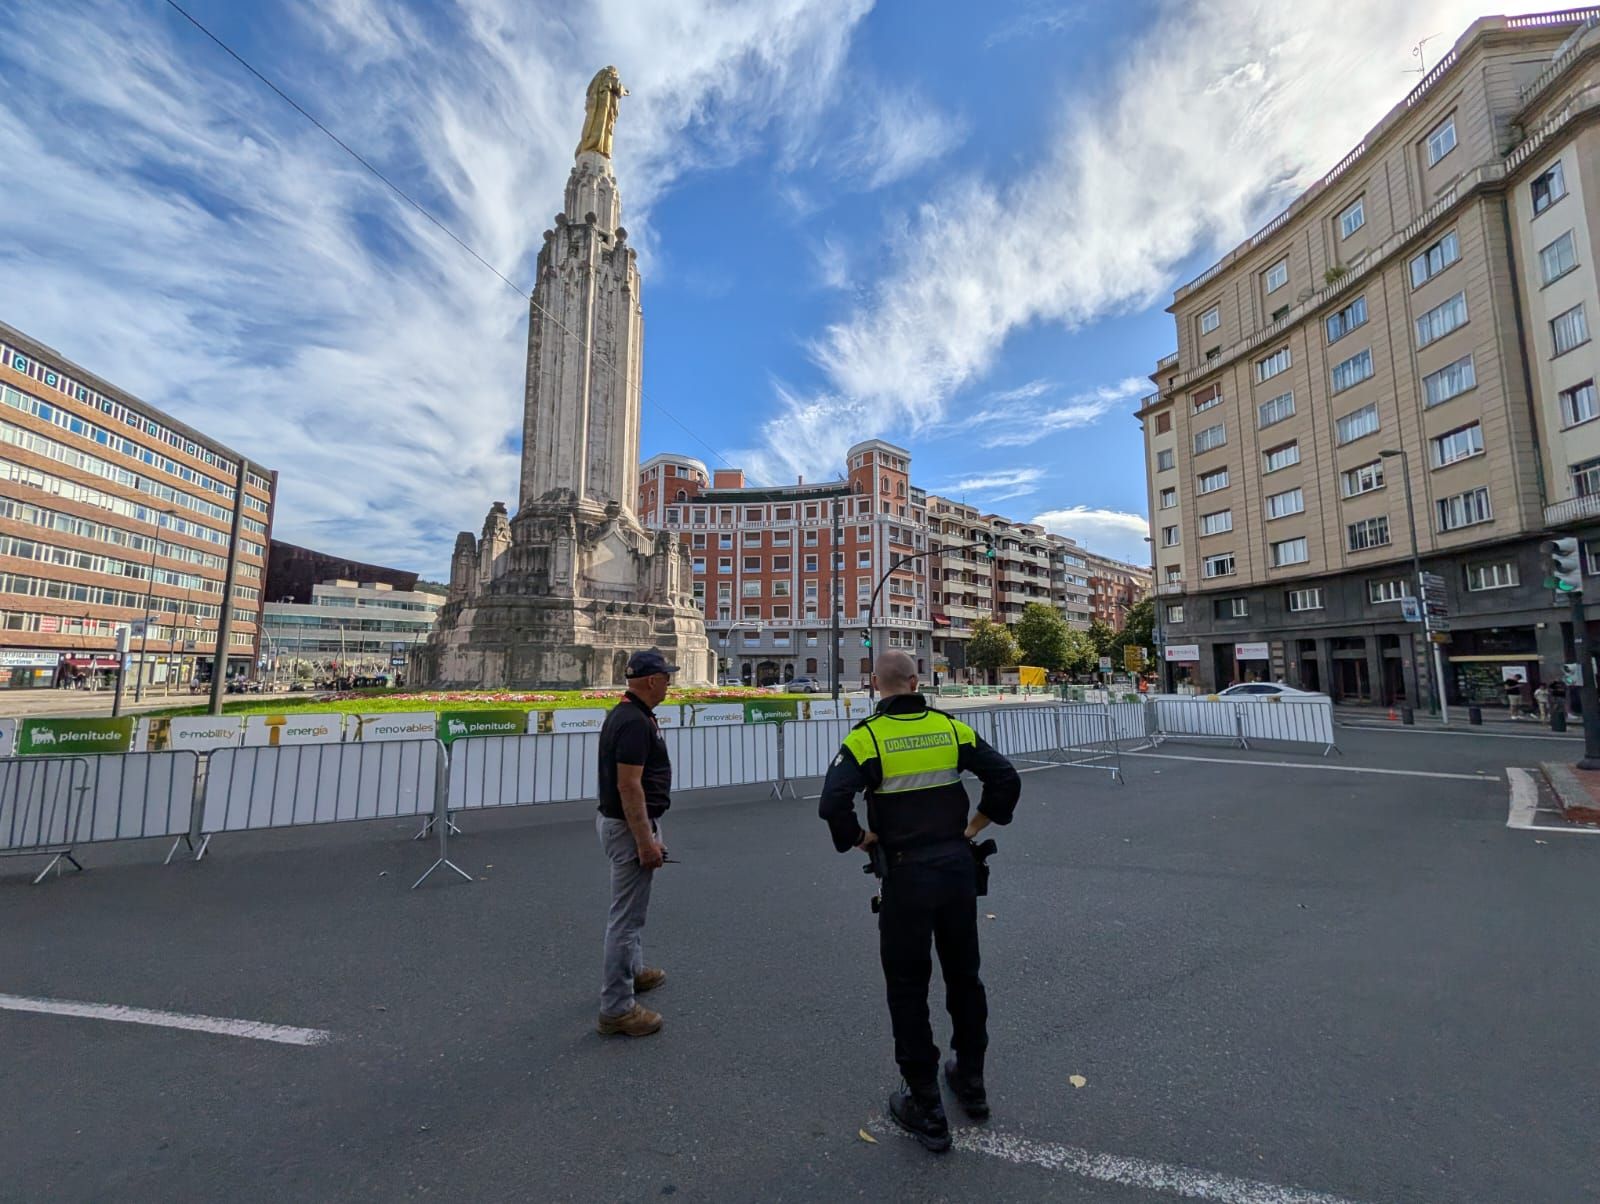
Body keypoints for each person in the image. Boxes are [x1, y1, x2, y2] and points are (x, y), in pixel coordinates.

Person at [818, 650, 1021, 1153]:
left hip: (906, 876)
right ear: (916, 681)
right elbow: (1005, 778)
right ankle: (970, 1081)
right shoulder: (951, 729)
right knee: (964, 977)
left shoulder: (866, 737)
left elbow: (832, 804)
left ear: (876, 684)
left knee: (908, 987)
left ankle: (925, 1102)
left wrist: (862, 838)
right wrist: (974, 826)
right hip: (956, 869)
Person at [594, 649, 677, 1038]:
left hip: (626, 824)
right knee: (625, 921)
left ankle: (634, 971)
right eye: (665, 677)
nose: (669, 683)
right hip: (628, 828)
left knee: (632, 911)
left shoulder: (629, 714)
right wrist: (646, 841)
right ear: (650, 681)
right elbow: (629, 786)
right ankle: (617, 1008)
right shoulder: (633, 722)